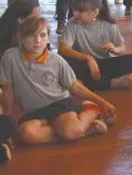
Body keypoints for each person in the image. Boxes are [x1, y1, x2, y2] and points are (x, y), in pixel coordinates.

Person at [0, 16, 116, 145]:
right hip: (33, 110)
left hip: (59, 103)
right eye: (31, 36)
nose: (37, 41)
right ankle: (82, 128)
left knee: (71, 131)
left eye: (43, 35)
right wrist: (7, 121)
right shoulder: (10, 57)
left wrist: (101, 102)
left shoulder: (56, 60)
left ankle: (91, 110)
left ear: (48, 38)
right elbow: (8, 90)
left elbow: (75, 86)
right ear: (21, 38)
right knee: (27, 134)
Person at [57, 0, 132, 91]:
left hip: (102, 65)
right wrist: (88, 58)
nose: (75, 14)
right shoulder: (72, 23)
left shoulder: (109, 25)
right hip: (82, 64)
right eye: (74, 10)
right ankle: (111, 83)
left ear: (95, 12)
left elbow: (122, 50)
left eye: (80, 11)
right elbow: (63, 49)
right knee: (62, 61)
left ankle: (83, 83)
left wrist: (115, 49)